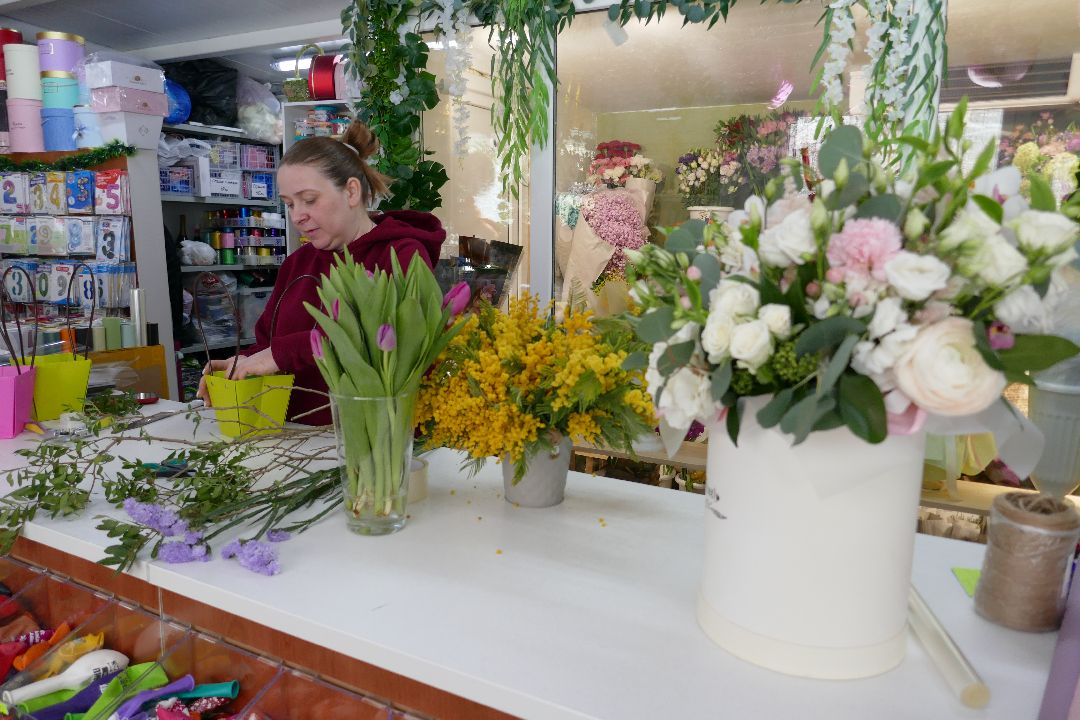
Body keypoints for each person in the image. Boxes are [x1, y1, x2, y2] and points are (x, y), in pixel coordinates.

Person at [196, 121, 446, 424]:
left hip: (377, 449)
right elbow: (269, 340)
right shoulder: (298, 263)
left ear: (352, 191)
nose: (297, 216)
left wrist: (278, 355)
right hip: (291, 441)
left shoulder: (402, 256)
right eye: (289, 204)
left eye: (309, 200)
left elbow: (381, 338)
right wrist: (244, 361)